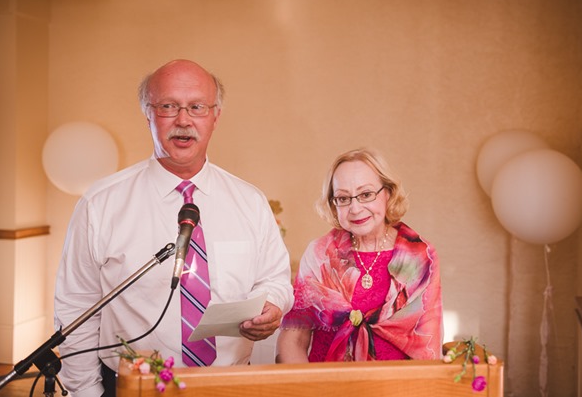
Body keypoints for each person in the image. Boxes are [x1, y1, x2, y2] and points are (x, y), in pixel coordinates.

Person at [54, 59, 294, 397]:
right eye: (168, 107)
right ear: (148, 113)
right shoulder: (101, 204)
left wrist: (272, 306)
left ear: (215, 115)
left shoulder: (249, 201)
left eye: (196, 107)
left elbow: (274, 279)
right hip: (133, 386)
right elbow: (76, 306)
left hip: (230, 386)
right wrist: (86, 393)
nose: (183, 120)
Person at [276, 148, 442, 363]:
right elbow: (293, 340)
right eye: (343, 198)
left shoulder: (420, 257)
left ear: (388, 193)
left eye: (366, 194)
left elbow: (428, 346)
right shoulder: (319, 255)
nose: (355, 208)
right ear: (334, 205)